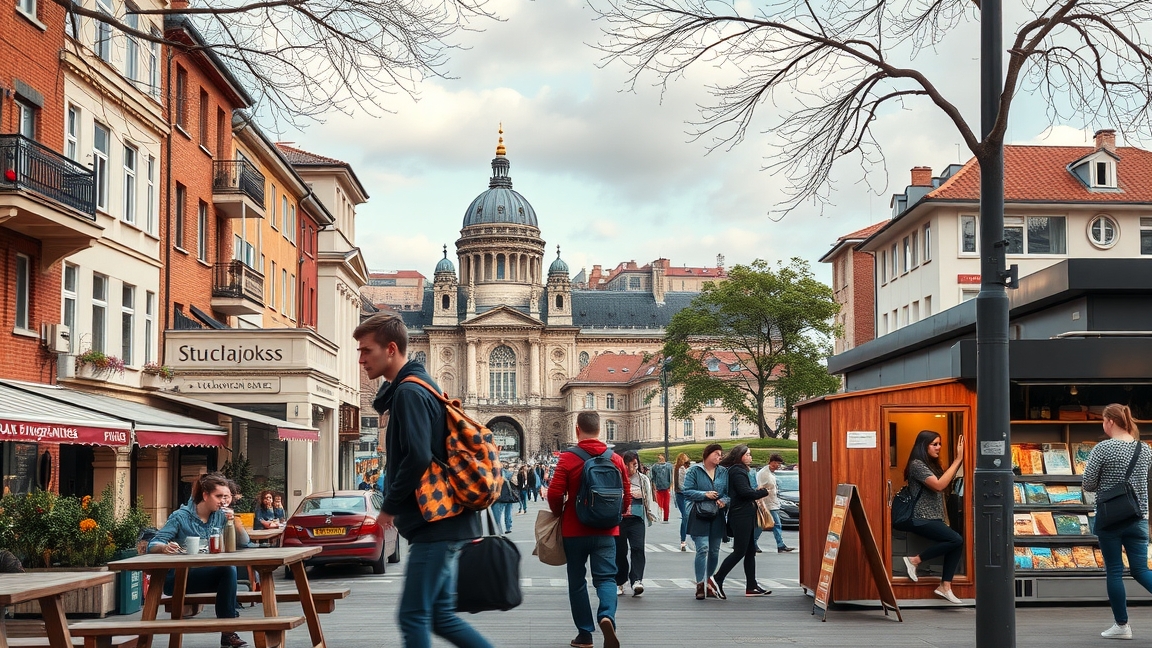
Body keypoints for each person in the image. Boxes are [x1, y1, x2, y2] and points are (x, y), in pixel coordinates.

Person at [356, 312, 491, 648]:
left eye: (365, 350)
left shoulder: (409, 393)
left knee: (413, 615)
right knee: (438, 615)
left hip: (437, 524)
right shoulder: (419, 386)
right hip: (446, 523)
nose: (360, 359)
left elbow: (417, 456)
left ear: (390, 349)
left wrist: (389, 507)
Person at [548, 411, 628, 648]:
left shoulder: (568, 458)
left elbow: (554, 493)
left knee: (577, 581)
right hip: (606, 530)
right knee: (606, 579)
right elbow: (624, 493)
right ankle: (606, 616)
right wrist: (617, 516)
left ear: (577, 429)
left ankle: (585, 634)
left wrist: (558, 514)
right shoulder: (615, 458)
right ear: (600, 429)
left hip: (575, 529)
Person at [148, 472, 252, 648]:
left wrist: (235, 522)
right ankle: (229, 631)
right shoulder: (180, 516)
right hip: (180, 578)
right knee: (228, 570)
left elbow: (244, 543)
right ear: (205, 495)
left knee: (228, 569)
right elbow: (154, 543)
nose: (223, 501)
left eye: (227, 497)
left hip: (208, 574)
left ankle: (227, 632)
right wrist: (164, 548)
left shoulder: (221, 515)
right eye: (219, 496)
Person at [1082, 404, 1152, 640]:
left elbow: (1088, 484)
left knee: (1114, 570)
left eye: (1103, 421)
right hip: (1139, 517)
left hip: (1110, 518)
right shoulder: (1145, 449)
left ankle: (1122, 626)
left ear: (1110, 421)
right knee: (1141, 570)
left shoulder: (1103, 449)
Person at [894, 429, 964, 604]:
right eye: (934, 444)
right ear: (923, 446)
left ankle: (945, 586)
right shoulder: (917, 465)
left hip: (932, 517)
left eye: (940, 444)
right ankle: (915, 560)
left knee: (955, 543)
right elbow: (939, 485)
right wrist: (958, 460)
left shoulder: (931, 465)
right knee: (956, 540)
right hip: (920, 517)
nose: (938, 447)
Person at [713, 445, 771, 597]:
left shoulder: (737, 470)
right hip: (741, 515)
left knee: (750, 551)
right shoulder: (738, 471)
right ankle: (717, 579)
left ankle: (751, 585)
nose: (750, 457)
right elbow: (744, 493)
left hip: (744, 515)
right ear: (741, 456)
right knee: (740, 551)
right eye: (748, 455)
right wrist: (763, 492)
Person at [683, 443, 730, 600]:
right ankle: (699, 584)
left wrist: (724, 500)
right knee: (702, 548)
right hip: (700, 514)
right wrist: (704, 494)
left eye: (720, 454)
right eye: (716, 453)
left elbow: (729, 493)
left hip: (717, 514)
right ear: (707, 454)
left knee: (715, 550)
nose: (719, 456)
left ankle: (710, 582)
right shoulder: (695, 470)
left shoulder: (723, 472)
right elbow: (687, 491)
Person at [616, 450, 657, 597]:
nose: (633, 467)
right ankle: (620, 581)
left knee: (638, 548)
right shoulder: (617, 477)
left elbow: (650, 496)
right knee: (620, 552)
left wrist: (642, 494)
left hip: (637, 518)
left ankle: (637, 580)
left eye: (635, 464)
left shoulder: (643, 479)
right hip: (620, 519)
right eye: (631, 464)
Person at [755, 454, 794, 553]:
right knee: (772, 524)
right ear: (772, 462)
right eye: (778, 463)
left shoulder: (770, 472)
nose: (779, 466)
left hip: (772, 502)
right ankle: (779, 545)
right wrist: (761, 504)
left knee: (766, 524)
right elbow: (760, 488)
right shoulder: (764, 473)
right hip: (766, 503)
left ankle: (779, 544)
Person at [673, 453, 692, 551]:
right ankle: (683, 541)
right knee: (685, 516)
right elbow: (682, 484)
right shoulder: (681, 469)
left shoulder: (677, 468)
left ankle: (683, 541)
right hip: (683, 494)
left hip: (680, 494)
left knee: (686, 516)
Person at [492, 462, 516, 534]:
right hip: (509, 497)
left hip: (499, 498)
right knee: (508, 513)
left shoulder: (494, 475)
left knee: (497, 516)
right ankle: (508, 527)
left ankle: (498, 531)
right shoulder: (508, 473)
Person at [649, 454, 673, 523]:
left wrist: (654, 486)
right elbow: (670, 477)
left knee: (662, 504)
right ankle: (664, 518)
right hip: (664, 488)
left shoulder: (655, 467)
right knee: (664, 504)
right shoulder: (669, 466)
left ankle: (662, 517)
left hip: (660, 488)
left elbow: (652, 478)